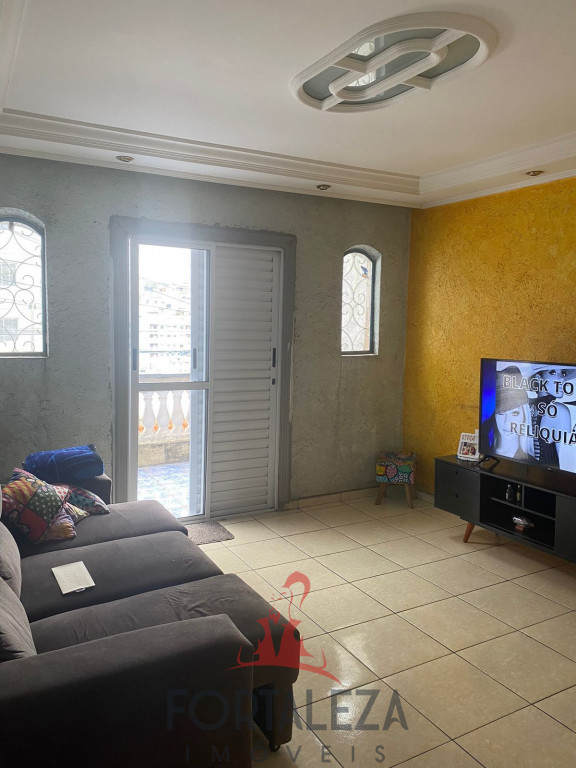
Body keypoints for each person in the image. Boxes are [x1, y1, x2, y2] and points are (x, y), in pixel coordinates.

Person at [481, 366, 534, 461]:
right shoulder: (484, 452)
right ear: (494, 416)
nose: (507, 422)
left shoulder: (531, 462)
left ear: (525, 415)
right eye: (501, 413)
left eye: (515, 413)